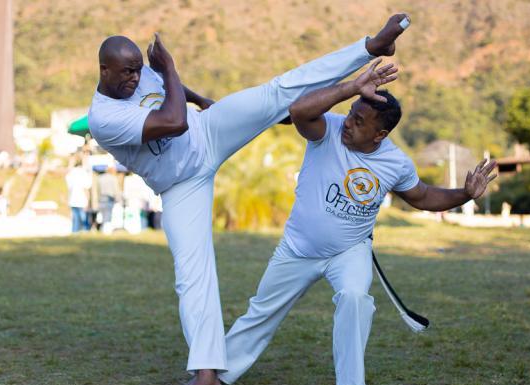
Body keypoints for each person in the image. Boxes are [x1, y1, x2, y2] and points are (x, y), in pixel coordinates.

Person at [87, 15, 409, 385]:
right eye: (127, 73)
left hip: (206, 133)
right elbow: (173, 120)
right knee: (194, 274)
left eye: (137, 70)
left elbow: (171, 91)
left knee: (277, 91)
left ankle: (370, 47)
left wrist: (207, 102)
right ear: (104, 69)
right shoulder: (103, 118)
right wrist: (169, 66)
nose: (134, 79)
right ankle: (207, 371)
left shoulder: (143, 73)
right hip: (180, 184)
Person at [219, 71, 497, 385]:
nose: (349, 122)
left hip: (349, 251)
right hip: (297, 248)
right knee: (260, 312)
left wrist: (464, 194)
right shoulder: (328, 131)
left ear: (379, 135)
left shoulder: (396, 163)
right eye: (352, 113)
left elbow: (422, 196)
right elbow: (299, 111)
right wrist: (351, 87)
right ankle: (216, 377)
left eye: (360, 121)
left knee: (354, 298)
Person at [65, 160, 92, 232]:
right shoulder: (84, 173)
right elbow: (86, 189)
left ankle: (74, 233)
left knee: (75, 219)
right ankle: (85, 233)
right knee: (83, 219)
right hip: (82, 200)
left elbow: (69, 188)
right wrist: (88, 201)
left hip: (73, 200)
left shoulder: (71, 173)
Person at [97, 165, 119, 234]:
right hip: (109, 198)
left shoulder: (100, 178)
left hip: (101, 198)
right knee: (108, 215)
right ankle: (106, 231)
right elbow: (116, 190)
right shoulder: (113, 178)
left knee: (103, 215)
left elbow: (98, 189)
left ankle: (103, 229)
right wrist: (118, 199)